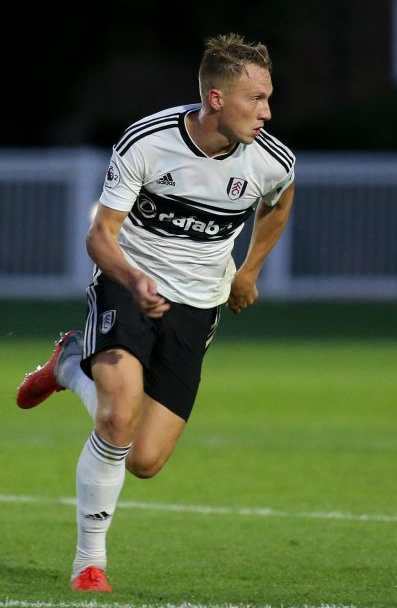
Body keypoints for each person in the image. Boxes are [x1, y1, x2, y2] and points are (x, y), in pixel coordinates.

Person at [16, 33, 295, 591]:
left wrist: (248, 272)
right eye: (255, 99)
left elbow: (280, 201)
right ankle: (88, 564)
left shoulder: (271, 160)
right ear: (216, 99)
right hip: (127, 283)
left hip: (198, 304)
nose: (267, 112)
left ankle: (71, 364)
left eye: (268, 99)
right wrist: (133, 278)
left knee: (144, 459)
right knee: (118, 416)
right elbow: (100, 237)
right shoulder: (147, 142)